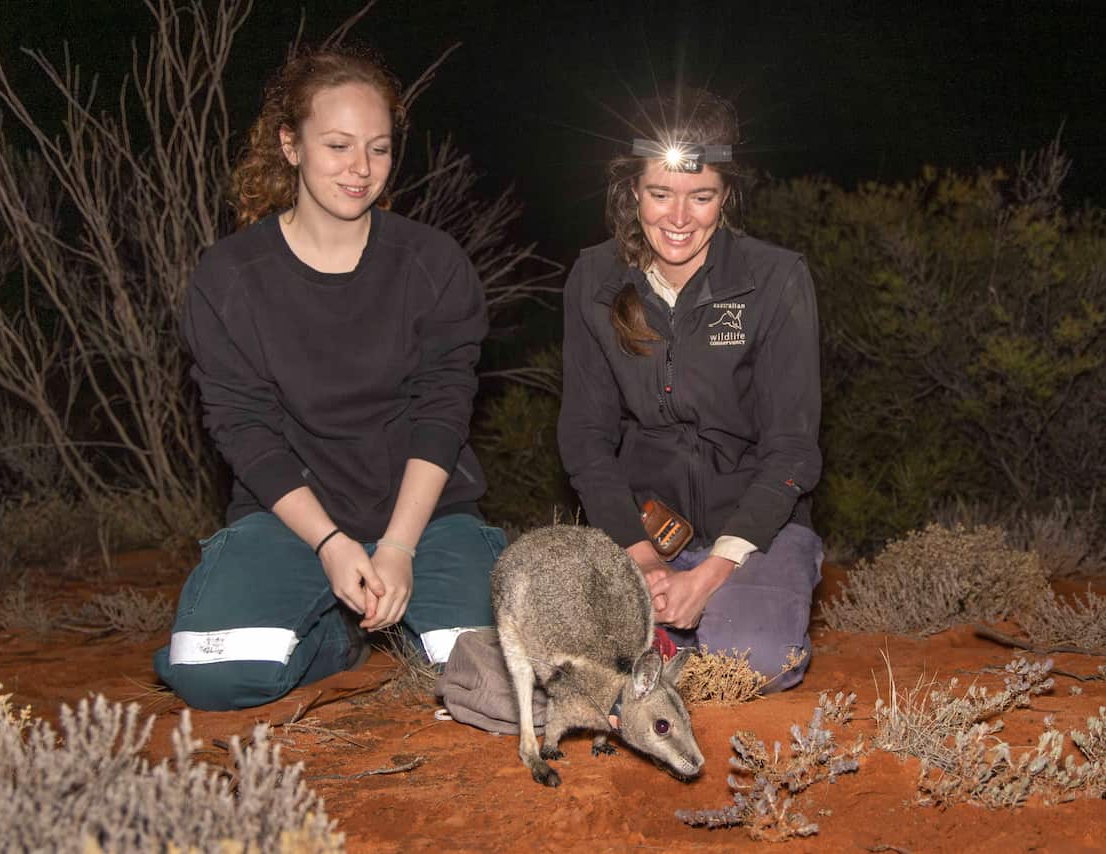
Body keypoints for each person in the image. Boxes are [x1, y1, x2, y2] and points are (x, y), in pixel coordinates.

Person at [154, 46, 505, 711]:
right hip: (290, 519)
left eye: (378, 148)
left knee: (493, 674)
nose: (361, 169)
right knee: (212, 675)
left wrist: (398, 546)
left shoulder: (430, 263)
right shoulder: (230, 276)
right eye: (338, 145)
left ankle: (418, 617)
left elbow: (443, 409)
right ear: (291, 145)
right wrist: (331, 542)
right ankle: (331, 639)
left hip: (423, 518)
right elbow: (243, 427)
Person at [557, 88, 823, 691]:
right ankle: (655, 641)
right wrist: (642, 557)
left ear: (725, 196)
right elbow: (585, 440)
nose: (679, 218)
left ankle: (696, 630)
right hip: (644, 531)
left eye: (701, 197)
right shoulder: (595, 279)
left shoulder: (776, 280)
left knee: (749, 661)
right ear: (631, 192)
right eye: (660, 194)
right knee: (570, 652)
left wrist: (707, 577)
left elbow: (793, 451)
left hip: (757, 532)